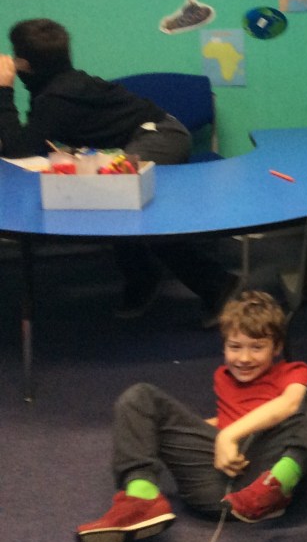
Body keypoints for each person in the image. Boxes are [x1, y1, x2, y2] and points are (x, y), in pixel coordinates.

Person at [74, 290, 307, 542]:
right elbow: (226, 419)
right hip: (214, 485)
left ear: (277, 348)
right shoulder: (223, 377)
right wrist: (180, 429)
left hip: (268, 468)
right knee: (139, 397)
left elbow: (289, 404)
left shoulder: (292, 371)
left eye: (257, 347)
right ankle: (141, 499)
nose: (244, 358)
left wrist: (229, 435)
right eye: (235, 347)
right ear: (223, 346)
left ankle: (281, 480)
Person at [0, 18, 240, 323]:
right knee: (116, 207)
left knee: (126, 202)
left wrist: (4, 90)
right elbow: (32, 138)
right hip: (139, 139)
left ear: (25, 63)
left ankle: (218, 285)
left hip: (160, 136)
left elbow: (20, 149)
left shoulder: (57, 96)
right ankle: (144, 276)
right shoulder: (57, 86)